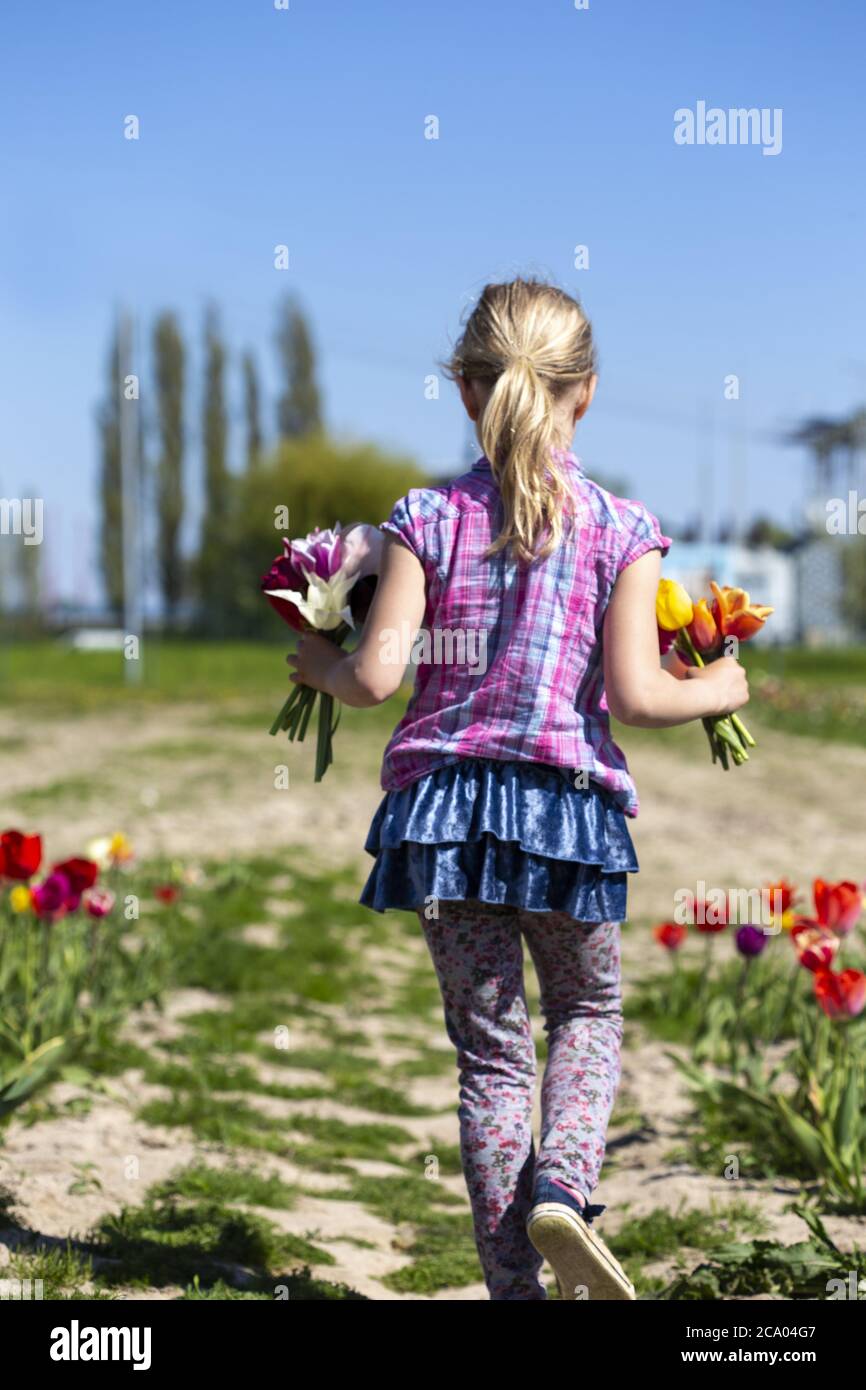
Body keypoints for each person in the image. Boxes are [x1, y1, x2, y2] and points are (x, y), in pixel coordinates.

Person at [287, 276, 749, 1301]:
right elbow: (633, 696)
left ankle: (513, 1290)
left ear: (464, 391)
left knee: (489, 1059)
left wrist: (316, 666)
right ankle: (566, 1185)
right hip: (564, 819)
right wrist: (714, 683)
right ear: (584, 393)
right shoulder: (621, 529)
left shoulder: (425, 516)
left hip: (443, 822)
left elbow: (373, 677)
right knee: (584, 1010)